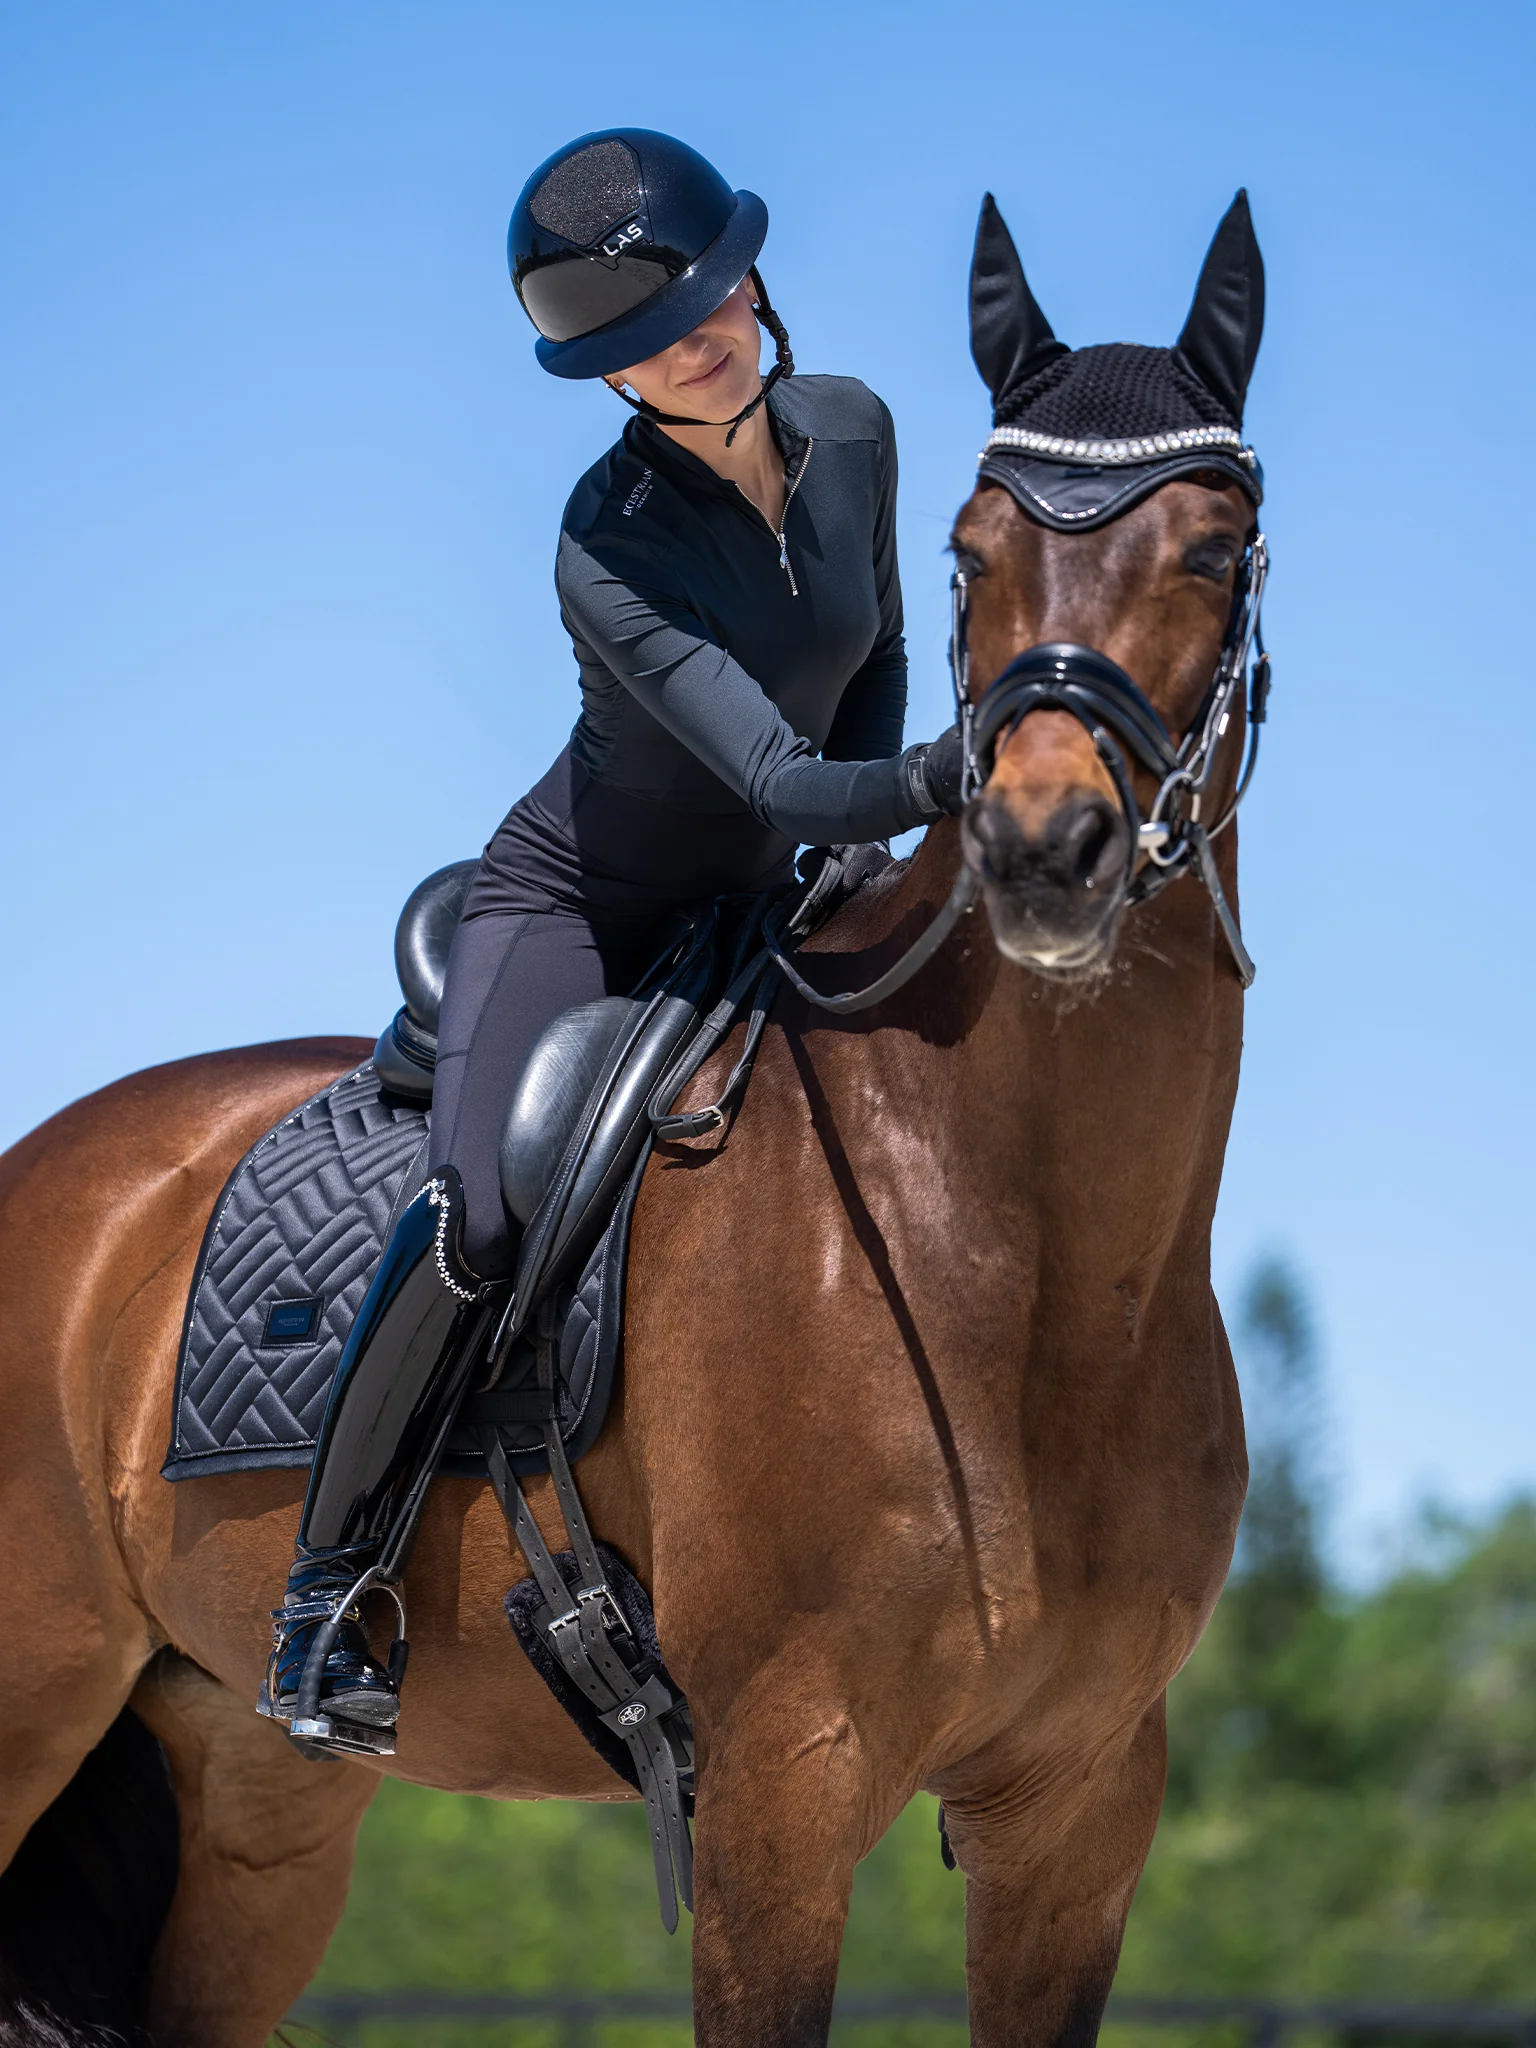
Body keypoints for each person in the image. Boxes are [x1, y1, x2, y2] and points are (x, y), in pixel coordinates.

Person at [262, 127, 965, 1744]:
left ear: (754, 280)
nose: (689, 345)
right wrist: (944, 778)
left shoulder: (854, 427)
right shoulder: (607, 543)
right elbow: (784, 769)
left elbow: (871, 660)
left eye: (708, 304)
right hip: (579, 905)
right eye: (641, 343)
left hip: (763, 886)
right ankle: (331, 1595)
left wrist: (896, 827)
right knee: (487, 1210)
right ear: (601, 377)